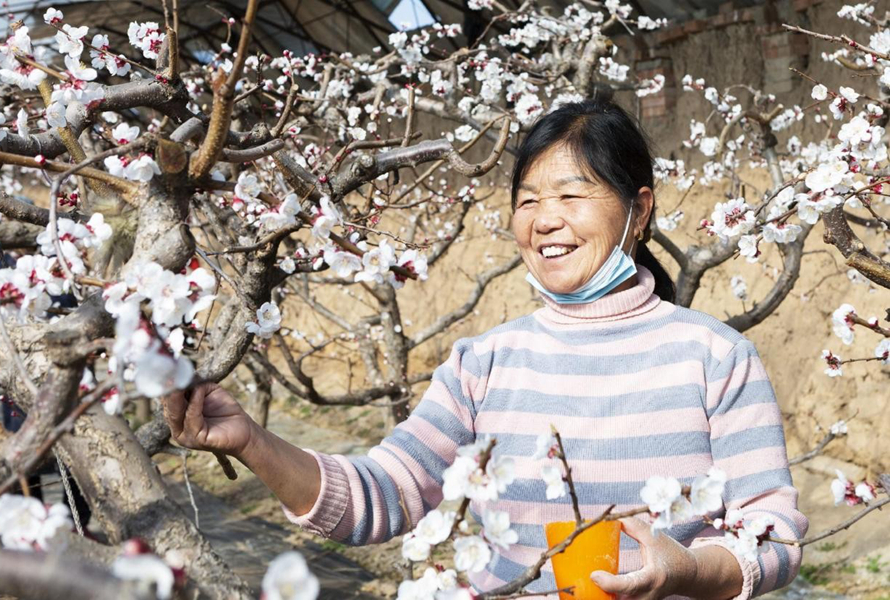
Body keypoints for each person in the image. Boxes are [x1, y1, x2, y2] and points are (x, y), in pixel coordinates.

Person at [165, 99, 807, 599]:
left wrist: (689, 572)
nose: (544, 219)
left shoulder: (713, 356)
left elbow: (773, 537)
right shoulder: (485, 362)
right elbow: (380, 496)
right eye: (527, 199)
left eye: (570, 196)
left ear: (638, 212)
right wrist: (252, 441)